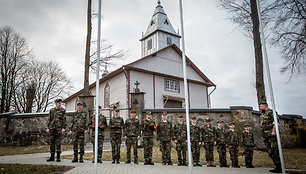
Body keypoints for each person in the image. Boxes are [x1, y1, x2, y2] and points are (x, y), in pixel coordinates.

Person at [259, 101, 281, 173]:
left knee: (275, 150)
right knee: (269, 151)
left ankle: (279, 166)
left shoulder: (271, 112)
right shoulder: (262, 115)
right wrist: (262, 135)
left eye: (261, 106)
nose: (260, 108)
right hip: (265, 136)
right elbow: (262, 127)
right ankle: (276, 164)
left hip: (271, 135)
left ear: (265, 106)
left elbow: (275, 122)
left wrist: (274, 131)